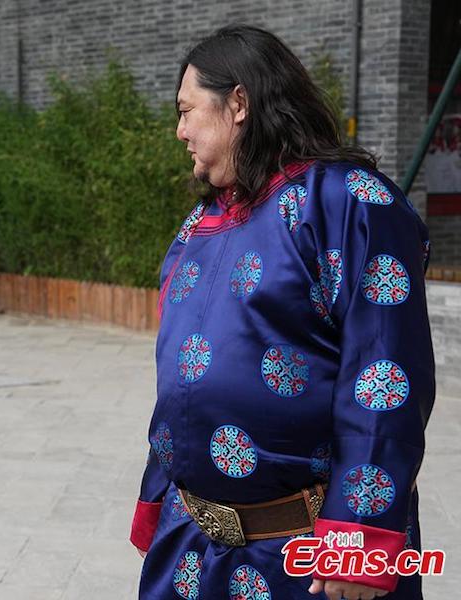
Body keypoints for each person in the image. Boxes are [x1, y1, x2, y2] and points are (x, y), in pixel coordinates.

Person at [131, 25, 434, 600]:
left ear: (238, 103)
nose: (180, 131)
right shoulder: (199, 226)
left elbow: (386, 375)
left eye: (187, 111)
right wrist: (156, 501)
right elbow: (182, 385)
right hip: (191, 550)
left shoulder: (349, 204)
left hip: (304, 562)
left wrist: (358, 542)